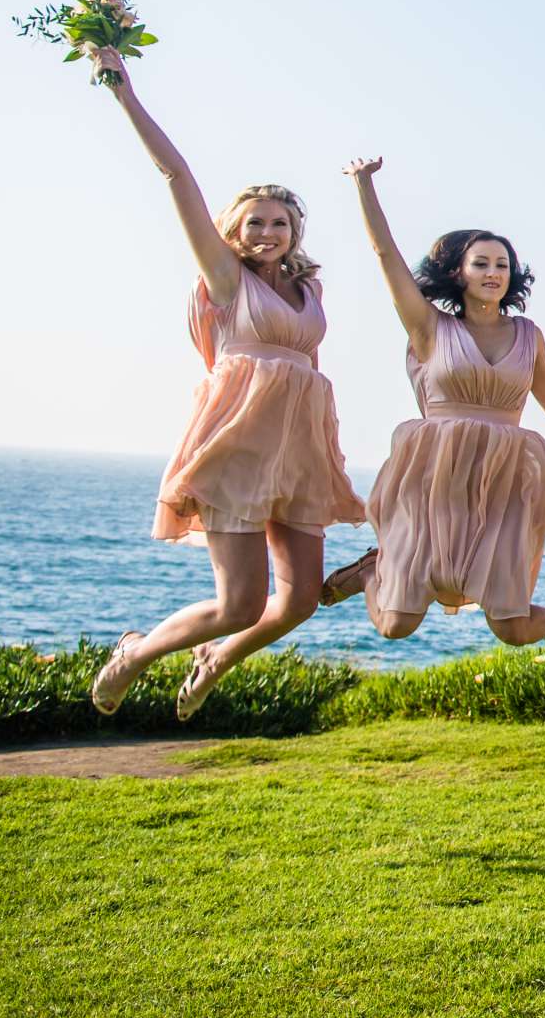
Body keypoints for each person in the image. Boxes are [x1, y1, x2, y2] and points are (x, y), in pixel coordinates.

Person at [86, 57, 365, 721]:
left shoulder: (310, 289)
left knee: (296, 602)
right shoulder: (224, 279)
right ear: (233, 229)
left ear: (295, 230)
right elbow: (176, 175)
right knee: (239, 602)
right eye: (253, 222)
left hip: (298, 451)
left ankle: (216, 658)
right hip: (238, 448)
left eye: (278, 223)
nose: (265, 232)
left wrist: (326, 452)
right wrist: (126, 95)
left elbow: (309, 371)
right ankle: (136, 653)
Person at [314, 158, 545, 663]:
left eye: (502, 264)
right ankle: (373, 571)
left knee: (513, 627)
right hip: (434, 476)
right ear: (458, 271)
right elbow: (384, 253)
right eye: (482, 263)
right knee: (395, 625)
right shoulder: (429, 327)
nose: (494, 273)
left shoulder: (529, 334)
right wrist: (365, 186)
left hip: (501, 481)